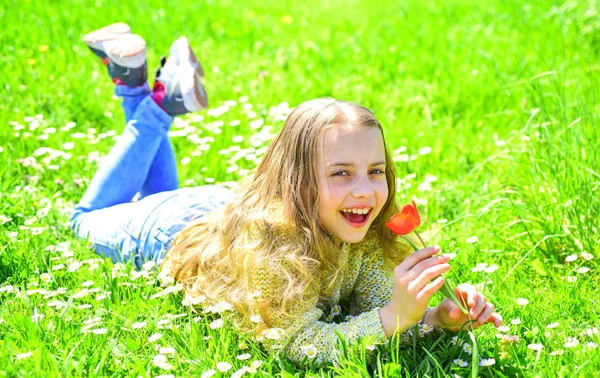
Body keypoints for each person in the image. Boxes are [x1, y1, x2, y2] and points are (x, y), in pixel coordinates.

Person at [72, 22, 503, 367]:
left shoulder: (358, 227)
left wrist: (435, 318)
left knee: (159, 190)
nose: (365, 191)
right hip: (164, 230)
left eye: (375, 171)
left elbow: (378, 306)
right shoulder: (272, 254)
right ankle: (156, 103)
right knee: (85, 218)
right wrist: (394, 319)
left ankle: (135, 79)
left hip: (216, 214)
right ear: (296, 182)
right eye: (340, 173)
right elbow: (303, 346)